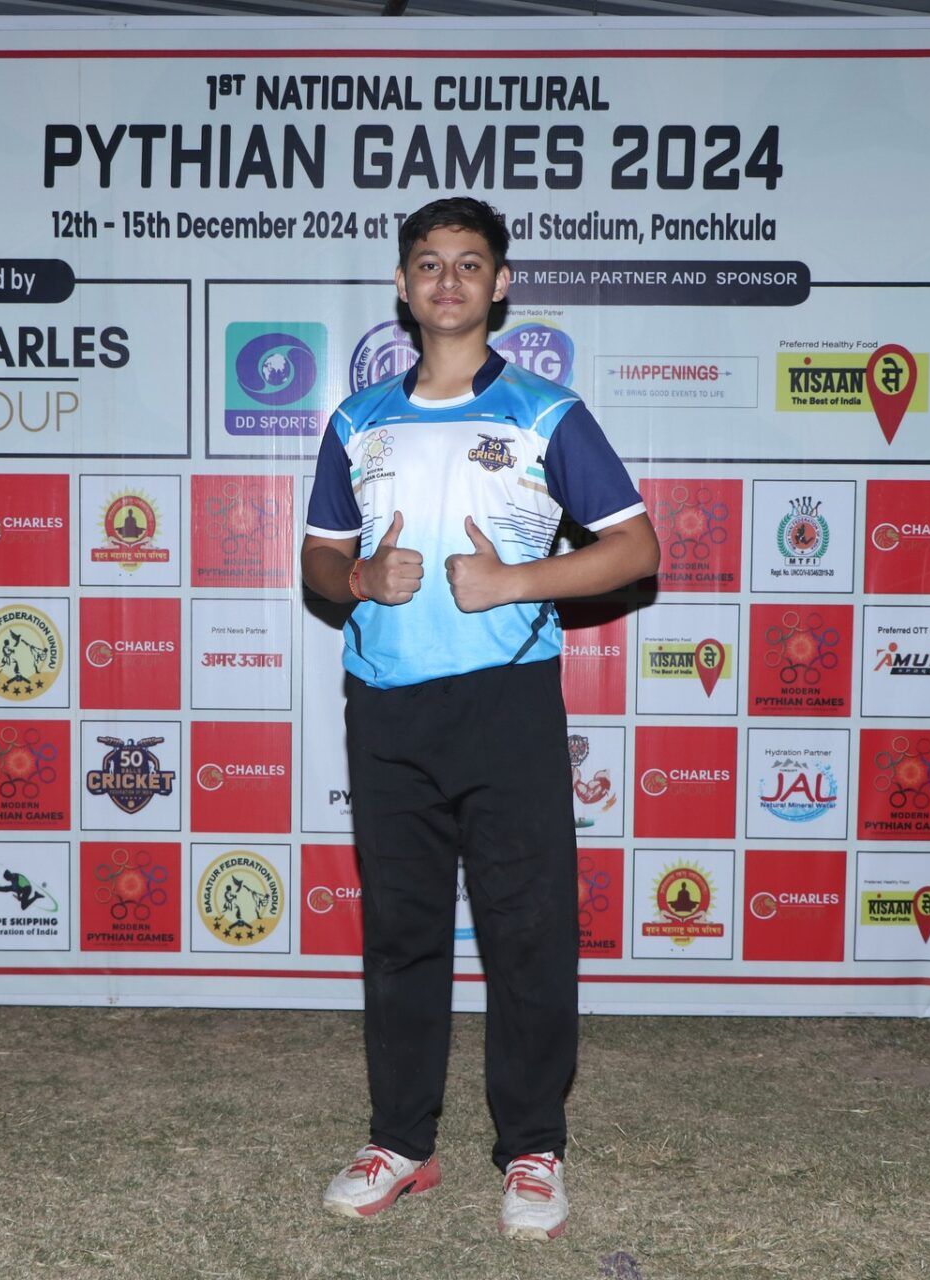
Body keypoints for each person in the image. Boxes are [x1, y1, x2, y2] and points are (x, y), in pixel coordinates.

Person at [301, 197, 659, 1241]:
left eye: (469, 264)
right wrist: (358, 576)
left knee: (526, 933)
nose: (448, 280)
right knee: (400, 932)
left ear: (500, 285)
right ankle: (400, 1141)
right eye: (429, 263)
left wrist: (514, 581)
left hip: (507, 704)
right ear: (403, 285)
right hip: (388, 709)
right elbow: (319, 556)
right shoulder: (357, 418)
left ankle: (534, 1147)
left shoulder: (547, 411)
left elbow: (636, 549)